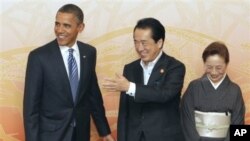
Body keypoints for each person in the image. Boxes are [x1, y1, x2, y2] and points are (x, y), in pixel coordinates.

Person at [23, 4, 115, 141]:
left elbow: (93, 95)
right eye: (57, 24)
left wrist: (104, 131)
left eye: (66, 25)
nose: (59, 30)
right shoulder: (39, 57)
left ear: (80, 27)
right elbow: (30, 108)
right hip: (51, 136)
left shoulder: (89, 53)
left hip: (80, 134)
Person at [103, 18, 185, 141]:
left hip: (163, 136)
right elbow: (125, 112)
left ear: (159, 43)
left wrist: (130, 87)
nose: (139, 48)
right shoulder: (130, 68)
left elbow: (164, 94)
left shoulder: (175, 67)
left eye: (144, 43)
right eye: (136, 42)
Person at [180, 41, 245, 141]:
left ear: (227, 64)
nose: (214, 72)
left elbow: (239, 125)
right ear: (204, 63)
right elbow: (186, 120)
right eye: (209, 67)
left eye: (219, 67)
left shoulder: (235, 90)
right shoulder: (194, 87)